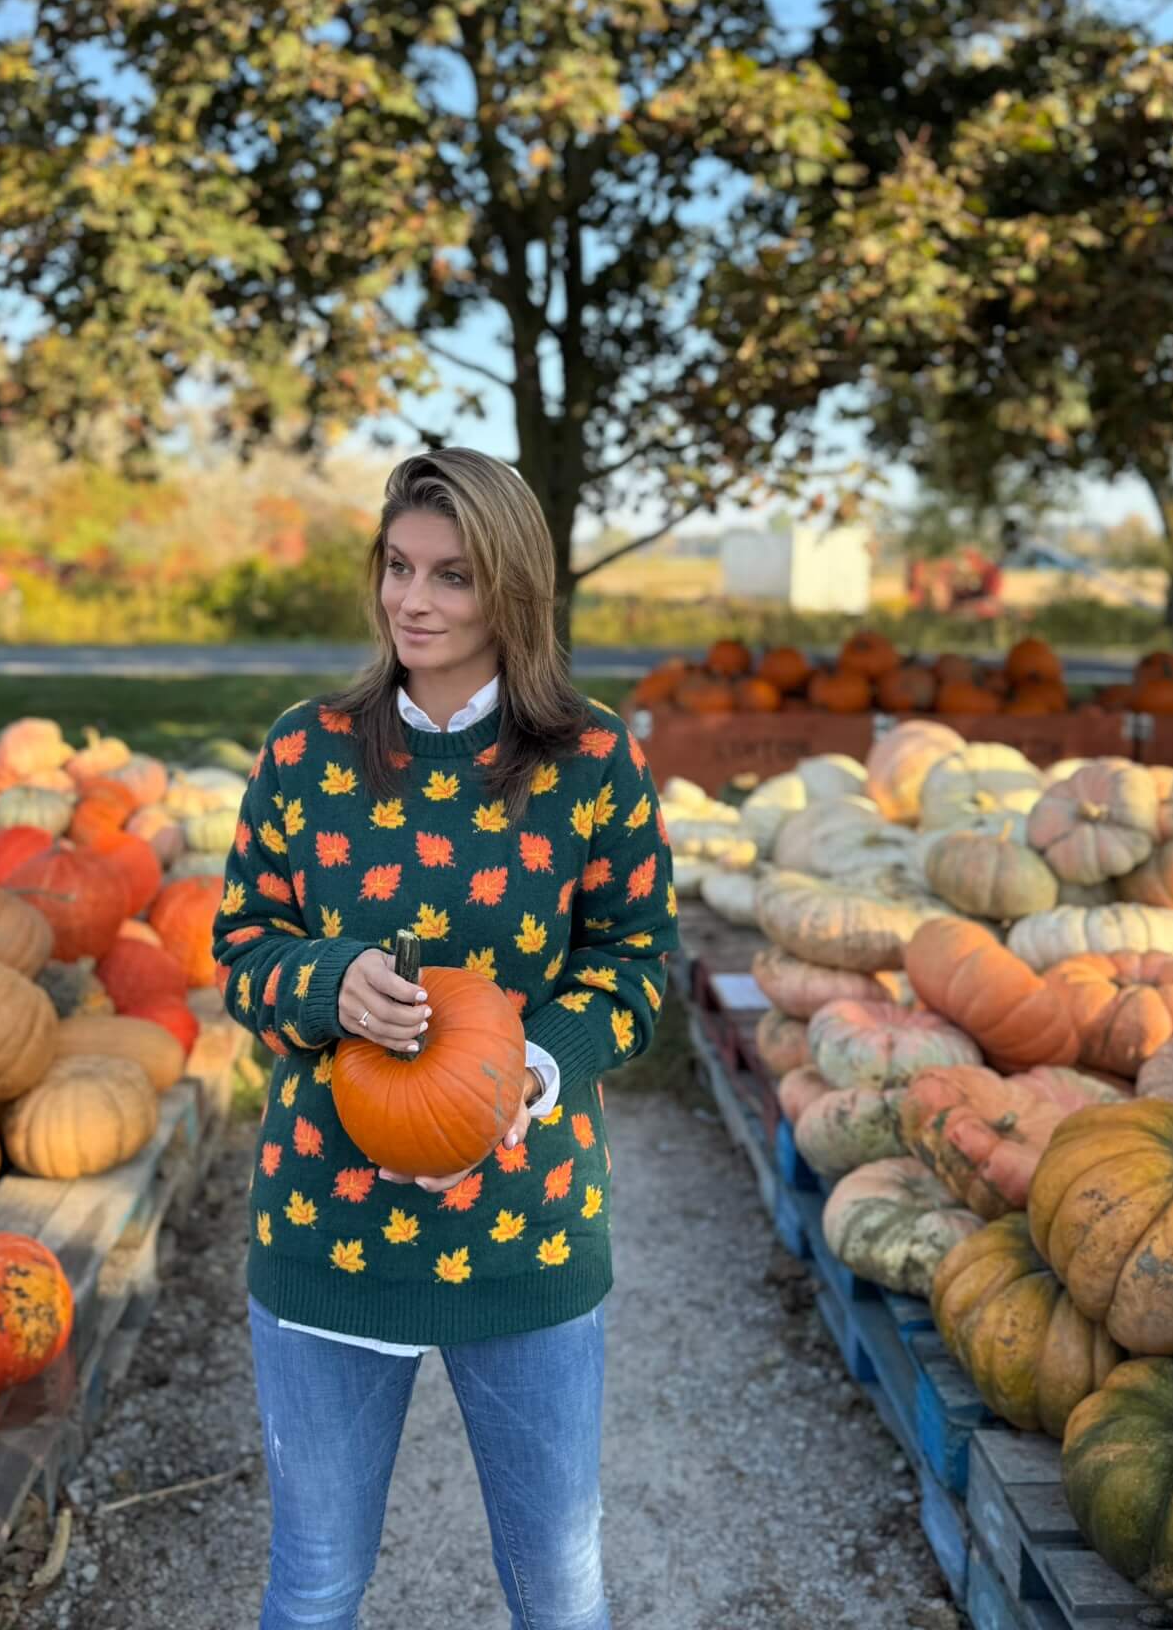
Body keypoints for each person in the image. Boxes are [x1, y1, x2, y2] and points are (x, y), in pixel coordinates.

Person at [213, 447, 680, 1630]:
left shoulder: (592, 762)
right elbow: (243, 948)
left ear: (512, 592)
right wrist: (327, 980)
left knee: (558, 1590)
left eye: (453, 576)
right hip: (329, 1219)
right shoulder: (304, 749)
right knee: (315, 1583)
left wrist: (525, 1070)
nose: (411, 601)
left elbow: (633, 967)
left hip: (529, 1224)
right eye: (397, 565)